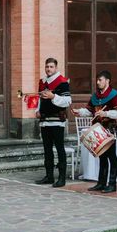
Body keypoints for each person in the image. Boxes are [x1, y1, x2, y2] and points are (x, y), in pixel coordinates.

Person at [73, 70, 117, 193]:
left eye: (100, 80)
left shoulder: (114, 95)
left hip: (109, 129)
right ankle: (101, 183)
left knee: (112, 157)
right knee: (102, 156)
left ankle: (112, 184)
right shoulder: (96, 96)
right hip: (98, 129)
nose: (97, 82)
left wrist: (106, 113)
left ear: (107, 81)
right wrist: (79, 112)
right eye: (97, 80)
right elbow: (90, 111)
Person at [35, 58, 72, 188]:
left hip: (57, 121)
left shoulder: (62, 82)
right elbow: (40, 98)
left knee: (60, 149)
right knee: (47, 149)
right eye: (47, 67)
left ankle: (61, 178)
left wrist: (53, 97)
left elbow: (67, 101)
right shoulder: (43, 82)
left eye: (51, 67)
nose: (48, 69)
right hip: (45, 121)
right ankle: (49, 176)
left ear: (56, 68)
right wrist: (38, 110)